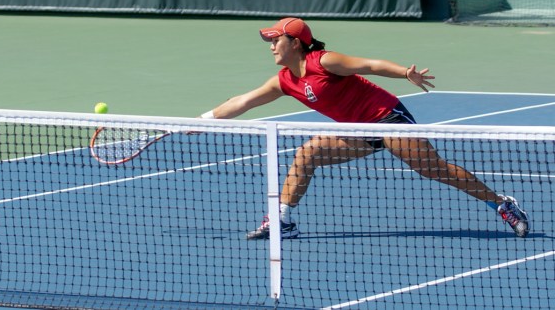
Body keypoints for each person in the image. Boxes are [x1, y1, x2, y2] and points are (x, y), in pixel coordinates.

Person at [198, 17, 529, 239]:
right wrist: (202, 121)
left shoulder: (323, 61)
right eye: (270, 40)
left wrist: (405, 74)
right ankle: (281, 222)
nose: (271, 45)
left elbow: (368, 64)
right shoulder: (284, 81)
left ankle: (501, 204)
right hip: (357, 129)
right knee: (307, 153)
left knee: (432, 169)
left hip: (387, 118)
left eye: (276, 39)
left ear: (296, 43)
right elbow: (243, 101)